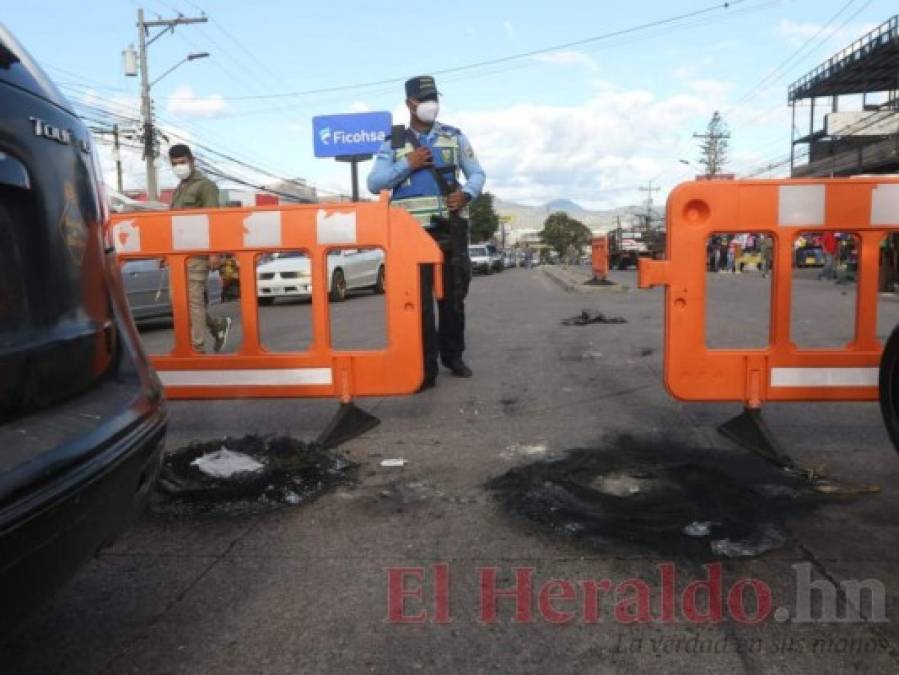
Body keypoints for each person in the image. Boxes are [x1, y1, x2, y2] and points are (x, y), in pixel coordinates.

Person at [367, 76, 486, 391]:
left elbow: (477, 173)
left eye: (434, 97)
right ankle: (425, 368)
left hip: (450, 228)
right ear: (410, 104)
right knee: (417, 305)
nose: (431, 104)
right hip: (410, 236)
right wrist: (408, 162)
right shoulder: (392, 141)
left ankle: (454, 357)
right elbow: (375, 183)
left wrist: (467, 194)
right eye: (424, 99)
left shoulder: (453, 137)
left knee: (453, 298)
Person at [168, 144, 231, 353]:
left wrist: (215, 252)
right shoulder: (179, 189)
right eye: (175, 163)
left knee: (193, 299)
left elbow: (216, 220)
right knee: (177, 299)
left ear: (191, 161)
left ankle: (196, 348)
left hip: (198, 253)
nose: (179, 166)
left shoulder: (205, 186)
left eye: (182, 162)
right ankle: (217, 324)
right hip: (178, 254)